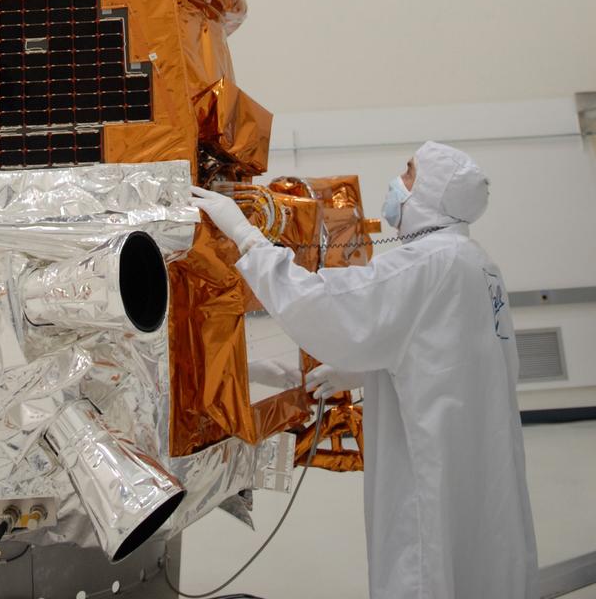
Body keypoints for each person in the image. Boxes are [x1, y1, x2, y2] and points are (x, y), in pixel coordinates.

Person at [193, 141, 538, 599]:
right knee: (478, 559)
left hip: (429, 455)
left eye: (411, 173)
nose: (400, 181)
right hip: (475, 455)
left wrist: (247, 236)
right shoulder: (474, 262)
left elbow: (322, 306)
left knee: (427, 561)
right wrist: (358, 371)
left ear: (433, 191)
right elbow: (441, 345)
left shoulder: (426, 262)